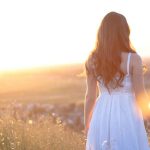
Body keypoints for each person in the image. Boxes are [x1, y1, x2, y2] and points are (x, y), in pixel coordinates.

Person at [84, 11, 150, 150]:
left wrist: (87, 125)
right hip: (127, 114)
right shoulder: (133, 59)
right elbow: (140, 96)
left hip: (101, 114)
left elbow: (90, 97)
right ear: (124, 32)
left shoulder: (92, 60)